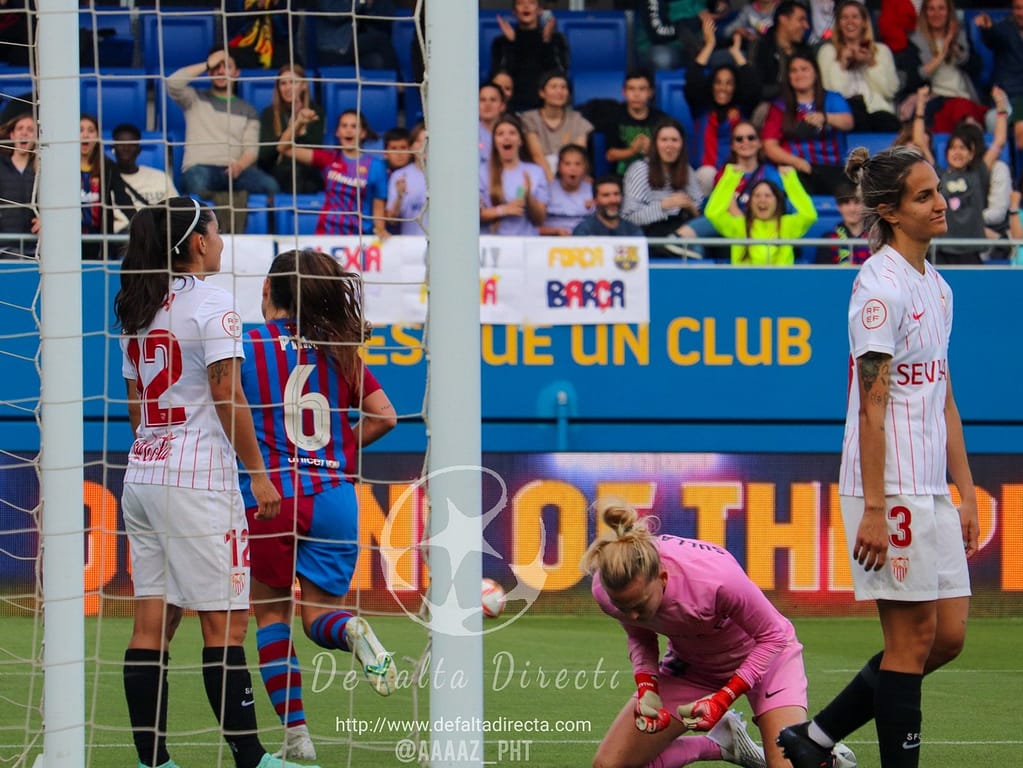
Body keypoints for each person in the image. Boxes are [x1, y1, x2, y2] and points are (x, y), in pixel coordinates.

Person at [776, 144, 979, 768]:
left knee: (948, 638)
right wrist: (873, 506)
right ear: (890, 212)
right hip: (888, 487)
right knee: (910, 642)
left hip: (930, 488)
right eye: (924, 195)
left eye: (938, 188)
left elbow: (943, 395)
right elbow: (871, 406)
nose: (941, 201)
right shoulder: (878, 287)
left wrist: (966, 490)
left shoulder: (937, 288)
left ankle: (812, 740)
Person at [114, 197, 310, 768]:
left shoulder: (138, 306)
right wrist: (258, 472)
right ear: (198, 242)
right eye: (218, 231)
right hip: (198, 478)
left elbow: (134, 407)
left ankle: (154, 761)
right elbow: (227, 394)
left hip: (144, 471)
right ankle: (252, 758)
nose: (222, 241)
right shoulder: (215, 303)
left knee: (152, 620)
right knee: (226, 622)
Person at [241, 249, 399, 761]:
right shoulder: (340, 351)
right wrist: (335, 451)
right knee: (319, 618)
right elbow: (386, 416)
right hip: (333, 497)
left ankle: (297, 738)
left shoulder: (246, 343)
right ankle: (350, 629)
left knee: (270, 618)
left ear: (269, 290)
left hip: (270, 496)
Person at [583, 499, 856, 768]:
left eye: (639, 605)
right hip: (693, 666)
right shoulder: (608, 590)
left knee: (791, 763)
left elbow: (773, 636)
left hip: (768, 660)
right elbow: (640, 634)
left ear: (663, 579)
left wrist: (724, 697)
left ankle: (825, 759)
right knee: (609, 765)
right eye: (623, 608)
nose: (631, 615)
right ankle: (719, 744)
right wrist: (647, 687)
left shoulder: (715, 580)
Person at [168, 46, 280, 198]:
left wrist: (239, 166)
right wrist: (207, 63)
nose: (221, 71)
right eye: (216, 67)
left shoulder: (248, 110)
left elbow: (251, 150)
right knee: (196, 182)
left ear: (236, 73)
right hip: (201, 169)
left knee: (271, 186)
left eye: (227, 66)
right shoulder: (194, 99)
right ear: (209, 72)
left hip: (236, 171)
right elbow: (172, 83)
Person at [918, 87, 1009, 264]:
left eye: (963, 148)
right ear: (946, 152)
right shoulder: (937, 175)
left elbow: (999, 141)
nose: (957, 152)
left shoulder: (979, 173)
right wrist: (921, 105)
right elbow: (921, 142)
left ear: (971, 153)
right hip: (943, 250)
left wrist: (1001, 108)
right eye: (953, 148)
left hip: (972, 250)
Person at [279, 108, 389, 237]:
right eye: (344, 126)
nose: (348, 130)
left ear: (363, 133)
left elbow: (378, 206)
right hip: (327, 233)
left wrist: (380, 230)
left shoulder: (376, 166)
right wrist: (299, 123)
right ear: (338, 132)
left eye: (354, 126)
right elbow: (283, 148)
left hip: (359, 236)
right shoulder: (328, 159)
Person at [761, 52, 855, 196]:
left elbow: (848, 122)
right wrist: (797, 162)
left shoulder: (832, 98)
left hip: (834, 168)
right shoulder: (780, 106)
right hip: (798, 168)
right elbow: (769, 146)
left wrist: (824, 117)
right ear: (788, 76)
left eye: (804, 69)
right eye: (794, 70)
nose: (799, 74)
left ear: (815, 73)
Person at [686, 16, 759, 196]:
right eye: (718, 82)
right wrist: (709, 45)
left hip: (737, 178)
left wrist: (736, 52)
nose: (723, 88)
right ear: (711, 85)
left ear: (735, 87)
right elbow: (693, 79)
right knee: (705, 173)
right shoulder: (701, 108)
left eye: (729, 83)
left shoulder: (742, 109)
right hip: (707, 180)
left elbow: (753, 87)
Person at [622, 117, 715, 258]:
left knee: (716, 223)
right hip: (652, 230)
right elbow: (629, 217)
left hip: (683, 227)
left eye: (674, 140)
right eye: (664, 140)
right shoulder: (640, 169)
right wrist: (663, 205)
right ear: (655, 144)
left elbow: (699, 217)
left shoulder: (686, 170)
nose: (669, 145)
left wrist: (689, 206)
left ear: (682, 144)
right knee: (696, 250)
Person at [704, 163, 817, 265]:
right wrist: (730, 178)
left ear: (777, 201)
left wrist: (791, 181)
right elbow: (712, 213)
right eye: (757, 196)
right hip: (746, 284)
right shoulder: (739, 226)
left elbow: (809, 215)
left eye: (768, 196)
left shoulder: (787, 225)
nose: (762, 200)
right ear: (750, 202)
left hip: (780, 284)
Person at [817, 0, 901, 133]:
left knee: (886, 122)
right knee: (857, 113)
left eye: (855, 17)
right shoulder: (827, 52)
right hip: (845, 113)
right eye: (844, 17)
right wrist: (842, 64)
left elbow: (890, 91)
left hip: (878, 112)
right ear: (838, 24)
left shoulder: (881, 51)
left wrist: (871, 63)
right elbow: (828, 91)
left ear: (864, 23)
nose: (850, 22)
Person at [907, 0, 988, 134]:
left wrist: (954, 45)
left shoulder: (962, 36)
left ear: (949, 12)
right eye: (931, 9)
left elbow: (976, 68)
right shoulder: (916, 42)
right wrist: (942, 53)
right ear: (924, 13)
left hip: (965, 99)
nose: (936, 14)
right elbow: (914, 79)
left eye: (941, 8)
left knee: (964, 108)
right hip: (936, 101)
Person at [489, 0, 570, 113]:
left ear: (539, 10)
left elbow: (559, 75)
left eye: (531, 3)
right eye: (520, 3)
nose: (526, 7)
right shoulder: (501, 42)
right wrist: (511, 44)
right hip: (512, 107)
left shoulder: (555, 39)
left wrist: (546, 43)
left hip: (545, 108)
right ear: (514, 12)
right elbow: (500, 80)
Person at [257, 64, 325, 195]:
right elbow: (264, 154)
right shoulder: (269, 113)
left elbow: (315, 148)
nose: (288, 88)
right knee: (294, 173)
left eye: (293, 82)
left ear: (304, 85)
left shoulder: (315, 112)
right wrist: (296, 126)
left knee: (302, 175)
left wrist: (287, 136)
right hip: (277, 171)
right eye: (283, 83)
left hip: (307, 172)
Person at [479, 114, 549, 236]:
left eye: (512, 133)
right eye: (500, 134)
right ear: (494, 142)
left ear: (520, 140)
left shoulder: (535, 172)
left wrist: (529, 198)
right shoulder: (481, 172)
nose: (506, 138)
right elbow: (472, 217)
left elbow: (540, 220)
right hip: (492, 246)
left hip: (526, 244)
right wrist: (504, 210)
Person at [521, 70, 593, 180]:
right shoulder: (530, 119)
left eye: (563, 87)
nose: (559, 91)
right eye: (553, 87)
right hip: (538, 175)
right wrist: (555, 186)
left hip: (570, 177)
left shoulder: (577, 120)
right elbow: (537, 156)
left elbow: (578, 156)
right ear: (542, 93)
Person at [750, 1, 813, 121]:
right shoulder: (760, 46)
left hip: (804, 105)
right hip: (770, 106)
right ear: (783, 20)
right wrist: (787, 89)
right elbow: (755, 89)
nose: (806, 26)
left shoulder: (805, 50)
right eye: (801, 20)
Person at [80, 113, 129, 260]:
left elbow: (122, 198)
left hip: (100, 239)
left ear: (97, 136)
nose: (85, 135)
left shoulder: (108, 167)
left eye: (90, 130)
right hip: (69, 238)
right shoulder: (62, 166)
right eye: (80, 130)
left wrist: (139, 221)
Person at [974, 3, 1023, 151]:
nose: (1021, 13)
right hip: (1010, 97)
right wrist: (987, 28)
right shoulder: (1004, 28)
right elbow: (994, 36)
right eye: (1018, 8)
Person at [710, 121, 785, 217]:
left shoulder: (772, 173)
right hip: (735, 227)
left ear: (760, 143)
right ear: (732, 146)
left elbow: (777, 208)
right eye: (739, 139)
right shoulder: (724, 174)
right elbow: (728, 208)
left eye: (751, 138)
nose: (745, 142)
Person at [603, 69, 668, 178]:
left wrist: (652, 150)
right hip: (622, 177)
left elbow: (669, 155)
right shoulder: (614, 116)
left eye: (642, 89)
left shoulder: (661, 120)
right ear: (624, 92)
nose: (636, 94)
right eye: (631, 89)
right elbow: (610, 155)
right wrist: (633, 150)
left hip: (654, 177)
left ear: (650, 93)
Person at [110, 123, 179, 213]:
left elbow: (177, 209)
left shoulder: (161, 178)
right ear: (113, 148)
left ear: (139, 150)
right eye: (121, 144)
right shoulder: (106, 181)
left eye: (131, 144)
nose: (126, 148)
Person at [312, 0, 399, 72]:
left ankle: (391, 88)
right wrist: (361, 2)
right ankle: (398, 84)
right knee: (381, 40)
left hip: (355, 51)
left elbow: (386, 14)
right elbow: (334, 14)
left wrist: (369, 4)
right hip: (335, 49)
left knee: (377, 62)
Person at [0, 110, 37, 257]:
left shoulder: (43, 170)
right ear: (12, 135)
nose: (24, 133)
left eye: (30, 130)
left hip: (34, 249)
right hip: (4, 247)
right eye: (20, 129)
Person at [539, 144, 593, 236]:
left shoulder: (593, 191)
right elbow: (532, 227)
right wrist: (555, 232)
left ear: (585, 167)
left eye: (578, 164)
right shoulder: (545, 190)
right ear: (559, 167)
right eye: (567, 164)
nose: (573, 169)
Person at [224, 0, 293, 70]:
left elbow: (288, 31)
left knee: (292, 62)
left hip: (276, 46)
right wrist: (257, 6)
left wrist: (277, 5)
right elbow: (233, 28)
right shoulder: (234, 2)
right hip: (243, 47)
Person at [815, 181, 871, 265]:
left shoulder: (877, 238)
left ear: (865, 205)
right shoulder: (828, 239)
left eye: (857, 202)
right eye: (846, 203)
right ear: (839, 207)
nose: (852, 209)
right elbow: (823, 275)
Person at [385, 125, 427, 236]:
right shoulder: (399, 176)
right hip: (410, 245)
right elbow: (391, 220)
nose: (424, 145)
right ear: (411, 147)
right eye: (418, 141)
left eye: (427, 140)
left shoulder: (446, 175)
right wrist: (399, 196)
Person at [572, 174, 645, 237]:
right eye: (606, 195)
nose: (613, 200)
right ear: (595, 200)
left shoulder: (632, 230)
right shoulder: (584, 231)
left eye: (616, 194)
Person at [479, 81, 507, 167]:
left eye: (493, 100)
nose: (488, 104)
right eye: (482, 100)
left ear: (502, 106)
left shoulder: (511, 132)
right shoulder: (466, 132)